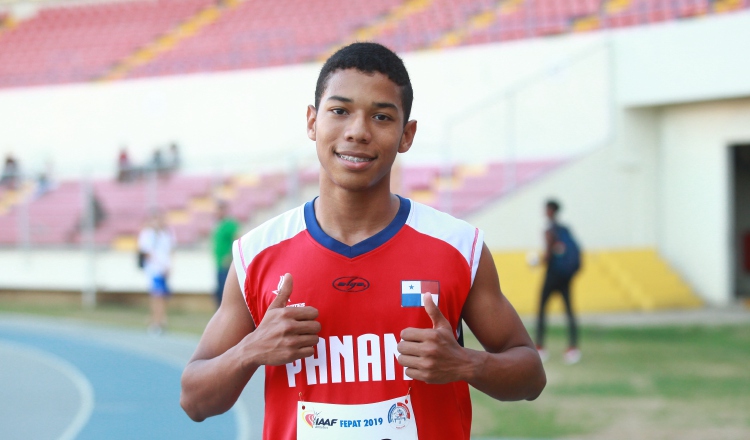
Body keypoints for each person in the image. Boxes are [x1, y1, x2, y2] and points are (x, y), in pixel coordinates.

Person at [180, 42, 546, 439]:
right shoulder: (257, 253)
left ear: (406, 135)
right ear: (311, 122)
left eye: (381, 117)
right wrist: (251, 349)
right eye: (339, 111)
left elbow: (531, 375)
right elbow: (194, 400)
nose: (358, 131)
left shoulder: (457, 247)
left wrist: (466, 363)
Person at [535, 199, 581, 364]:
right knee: (569, 312)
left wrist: (537, 261)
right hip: (565, 277)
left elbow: (547, 257)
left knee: (542, 311)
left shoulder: (549, 231)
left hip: (552, 276)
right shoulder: (565, 229)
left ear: (550, 211)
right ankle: (573, 349)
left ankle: (540, 347)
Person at [138, 210, 175, 335]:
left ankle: (160, 319)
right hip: (154, 270)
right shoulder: (147, 234)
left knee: (163, 296)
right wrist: (159, 265)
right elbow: (146, 252)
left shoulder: (167, 234)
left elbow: (170, 251)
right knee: (157, 296)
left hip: (164, 269)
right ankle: (157, 322)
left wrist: (168, 266)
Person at [211, 201, 239, 307]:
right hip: (219, 263)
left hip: (226, 264)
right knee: (218, 290)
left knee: (224, 291)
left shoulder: (230, 224)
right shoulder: (218, 225)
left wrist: (230, 257)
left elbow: (237, 239)